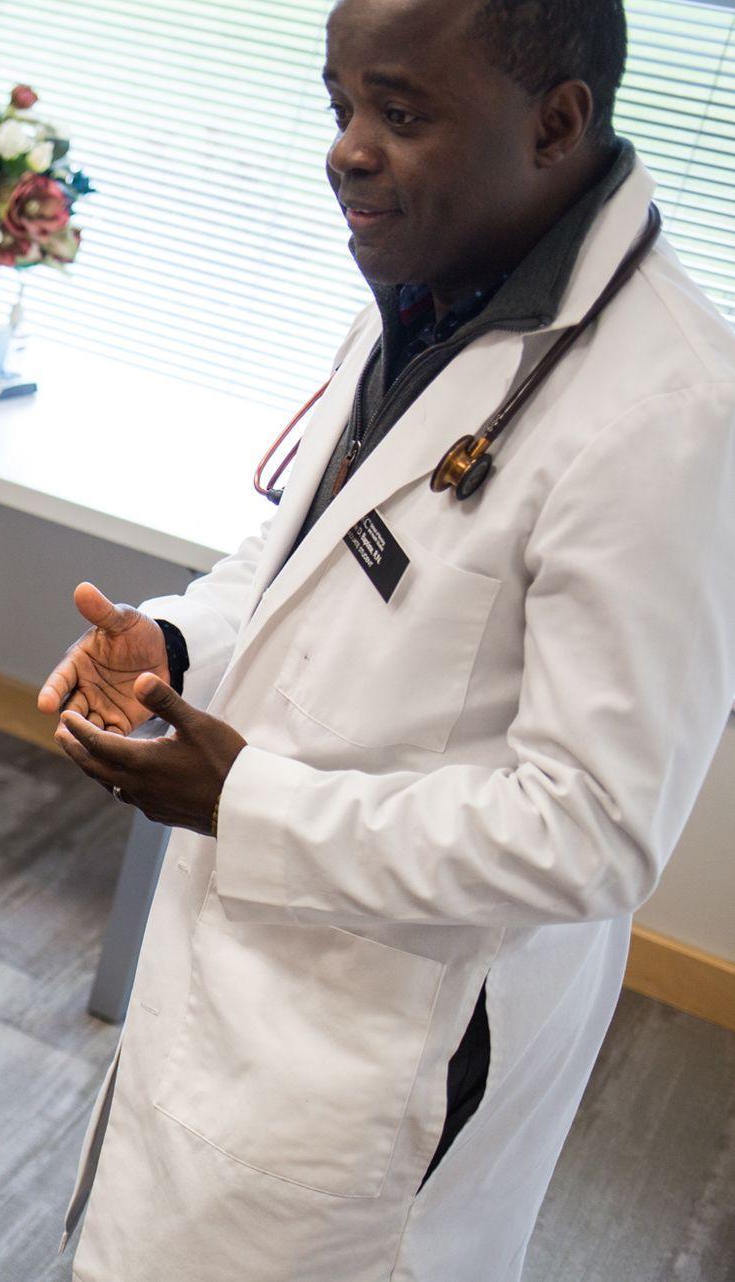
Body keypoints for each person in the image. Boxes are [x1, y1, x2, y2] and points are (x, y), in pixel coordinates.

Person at [39, 1, 735, 1278]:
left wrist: (245, 802)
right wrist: (176, 642)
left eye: (399, 114)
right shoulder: (420, 283)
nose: (346, 151)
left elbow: (592, 832)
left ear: (555, 122)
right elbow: (314, 551)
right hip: (246, 975)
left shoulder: (671, 415)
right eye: (338, 106)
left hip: (391, 1039)